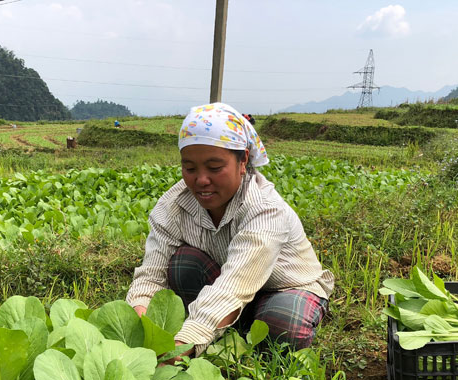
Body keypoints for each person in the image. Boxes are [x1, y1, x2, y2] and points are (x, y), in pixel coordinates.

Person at [126, 102, 333, 357]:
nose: (201, 180)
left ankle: (234, 324)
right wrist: (139, 317)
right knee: (183, 264)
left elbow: (234, 286)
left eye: (214, 168)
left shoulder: (264, 208)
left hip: (282, 287)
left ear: (243, 160)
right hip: (225, 278)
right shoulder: (173, 205)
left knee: (281, 324)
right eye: (190, 168)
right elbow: (151, 275)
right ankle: (229, 323)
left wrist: (183, 346)